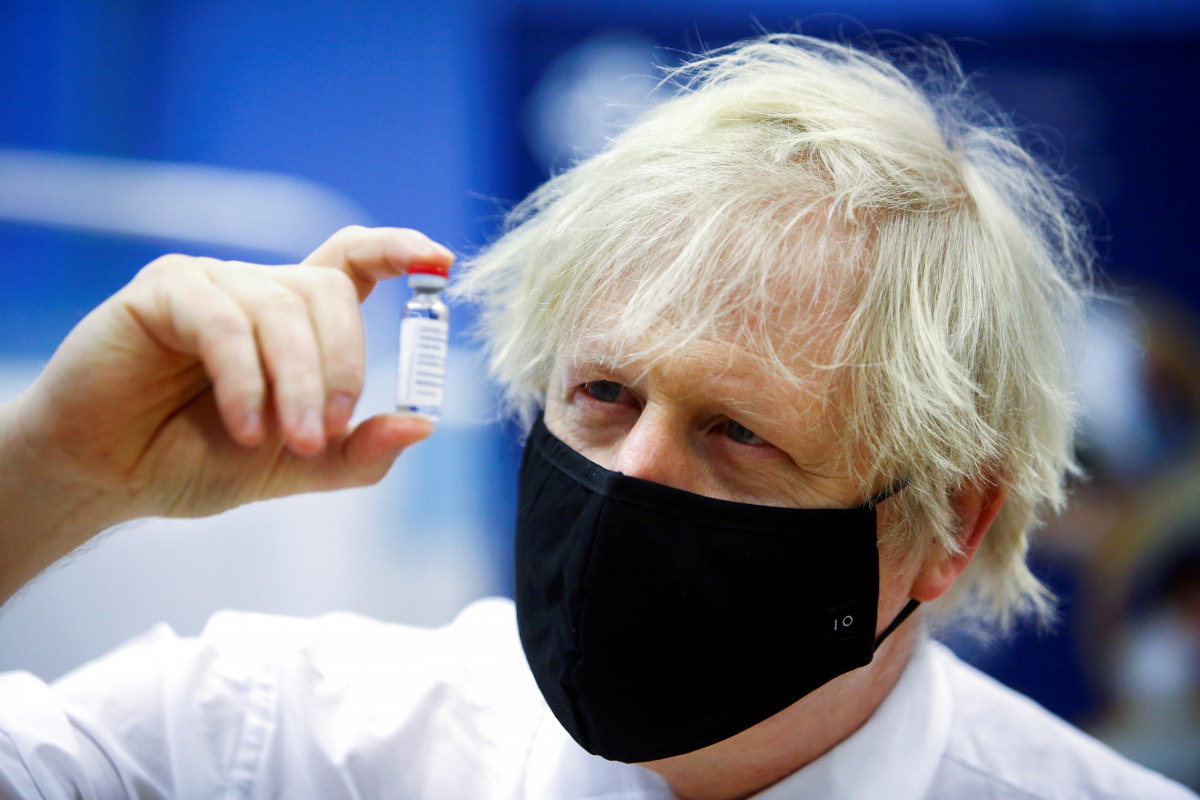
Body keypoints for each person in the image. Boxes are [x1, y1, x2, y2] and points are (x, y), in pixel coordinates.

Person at [0, 34, 1194, 800]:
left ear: (951, 522)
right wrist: (54, 471)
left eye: (738, 431)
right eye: (604, 395)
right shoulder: (283, 740)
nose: (632, 474)